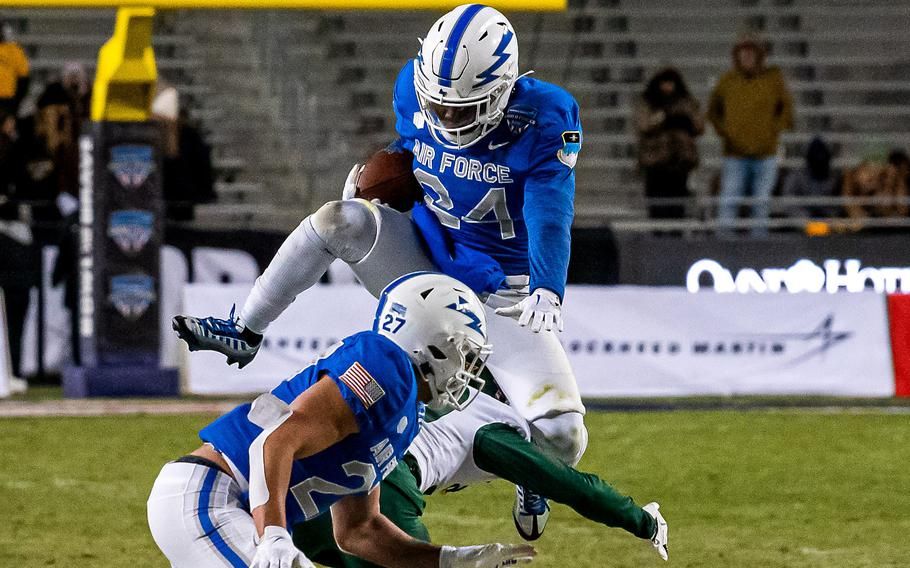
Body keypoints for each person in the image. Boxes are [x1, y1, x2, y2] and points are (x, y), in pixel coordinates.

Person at [173, 4, 587, 540]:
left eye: (462, 111)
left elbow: (549, 209)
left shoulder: (547, 116)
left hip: (506, 291)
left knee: (562, 435)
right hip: (427, 257)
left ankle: (525, 465)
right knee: (341, 218)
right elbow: (411, 150)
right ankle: (245, 327)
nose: (447, 120)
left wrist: (547, 286)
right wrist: (383, 168)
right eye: (439, 106)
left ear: (505, 89)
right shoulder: (413, 92)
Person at [156, 272, 535, 568]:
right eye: (464, 352)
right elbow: (273, 441)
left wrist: (448, 559)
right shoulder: (385, 367)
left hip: (225, 506)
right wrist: (272, 533)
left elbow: (359, 531)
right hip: (213, 495)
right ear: (430, 342)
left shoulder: (404, 414)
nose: (469, 368)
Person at [293, 388, 669, 566]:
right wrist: (643, 520)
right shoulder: (497, 430)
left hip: (330, 469)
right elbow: (574, 488)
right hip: (385, 487)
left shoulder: (466, 396)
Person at [708, 32, 794, 235]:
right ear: (736, 56)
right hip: (735, 153)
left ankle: (758, 249)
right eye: (742, 53)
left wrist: (773, 130)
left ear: (758, 55)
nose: (746, 57)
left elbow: (787, 108)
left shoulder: (773, 79)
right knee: (729, 200)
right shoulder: (727, 81)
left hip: (766, 153)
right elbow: (713, 111)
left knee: (761, 203)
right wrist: (726, 131)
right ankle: (724, 246)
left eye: (750, 53)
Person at [635, 67, 703, 220]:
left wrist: (683, 120)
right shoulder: (648, 103)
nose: (667, 87)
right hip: (655, 162)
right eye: (664, 83)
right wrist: (664, 118)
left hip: (680, 161)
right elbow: (644, 125)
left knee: (677, 205)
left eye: (671, 83)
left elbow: (699, 126)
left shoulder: (687, 102)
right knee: (657, 205)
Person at [842, 150, 909, 229]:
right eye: (867, 171)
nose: (872, 176)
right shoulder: (850, 185)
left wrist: (894, 181)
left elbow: (902, 210)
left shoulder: (889, 185)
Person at [780, 136, 841, 219]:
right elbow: (788, 201)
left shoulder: (834, 177)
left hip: (828, 221)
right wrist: (806, 218)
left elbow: (838, 204)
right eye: (816, 157)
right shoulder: (796, 176)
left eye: (823, 158)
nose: (820, 161)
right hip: (801, 221)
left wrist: (829, 217)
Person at [0, 21, 29, 116]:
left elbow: (24, 79)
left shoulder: (15, 51)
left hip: (8, 99)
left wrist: (17, 101)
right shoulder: (15, 50)